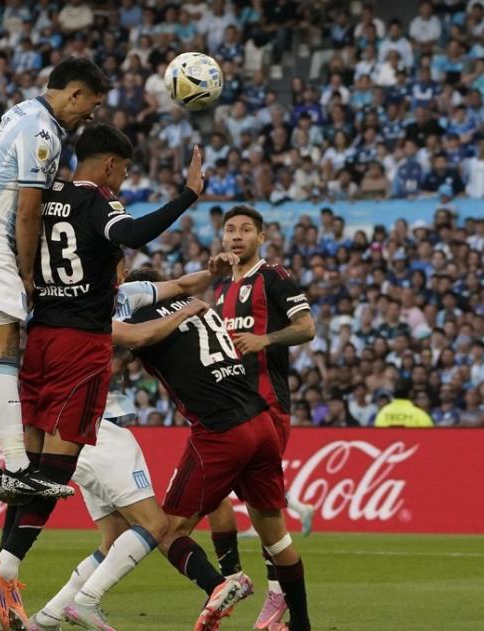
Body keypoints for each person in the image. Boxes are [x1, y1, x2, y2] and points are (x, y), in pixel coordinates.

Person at [0, 123, 205, 629]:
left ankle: (5, 568)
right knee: (57, 470)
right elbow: (133, 234)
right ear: (108, 165)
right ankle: (5, 566)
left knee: (31, 466)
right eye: (122, 171)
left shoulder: (41, 193)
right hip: (81, 345)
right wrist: (188, 195)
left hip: (37, 339)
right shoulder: (98, 202)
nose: (121, 181)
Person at [0, 57, 110, 502]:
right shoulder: (43, 132)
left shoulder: (19, 111)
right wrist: (28, 273)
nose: (89, 116)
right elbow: (29, 210)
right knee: (3, 353)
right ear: (73, 93)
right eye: (89, 105)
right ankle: (16, 466)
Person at [29, 263, 231, 631]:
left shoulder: (80, 306)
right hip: (99, 431)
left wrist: (211, 272)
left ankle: (46, 618)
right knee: (155, 525)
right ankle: (86, 602)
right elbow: (134, 340)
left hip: (76, 436)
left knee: (116, 538)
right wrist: (181, 315)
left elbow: (180, 287)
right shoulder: (101, 312)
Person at [121, 266, 313, 631]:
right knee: (275, 535)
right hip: (261, 421)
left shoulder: (137, 314)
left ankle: (222, 584)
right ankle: (301, 624)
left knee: (166, 531)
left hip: (220, 430)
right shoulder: (197, 305)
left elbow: (130, 341)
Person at [207, 205, 319, 631]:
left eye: (245, 230)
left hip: (267, 409)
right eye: (230, 230)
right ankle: (253, 589)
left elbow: (307, 328)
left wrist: (265, 339)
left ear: (261, 237)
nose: (236, 236)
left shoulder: (275, 276)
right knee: (248, 505)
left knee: (260, 511)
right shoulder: (221, 290)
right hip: (231, 410)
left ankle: (265, 596)